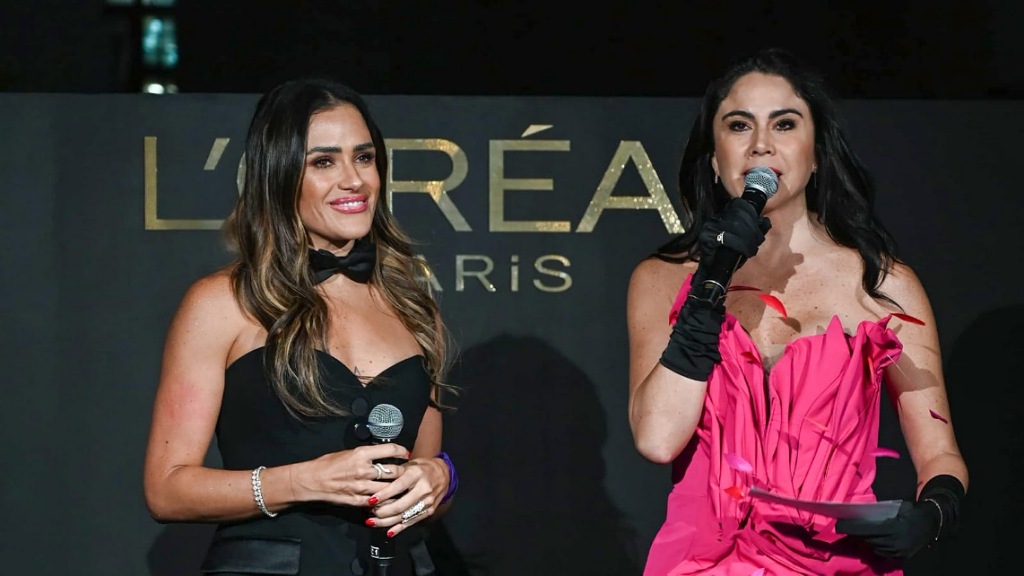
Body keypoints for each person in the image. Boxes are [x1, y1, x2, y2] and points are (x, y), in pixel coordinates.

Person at [627, 48, 968, 575]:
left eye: (784, 124)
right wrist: (711, 280)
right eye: (739, 125)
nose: (761, 143)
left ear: (816, 153)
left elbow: (940, 454)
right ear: (715, 158)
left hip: (840, 561)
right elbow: (657, 438)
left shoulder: (881, 284)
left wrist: (932, 515)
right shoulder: (663, 279)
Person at [143, 77, 459, 576]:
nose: (354, 180)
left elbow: (425, 480)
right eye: (323, 162)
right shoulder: (223, 303)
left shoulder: (414, 308)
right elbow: (167, 489)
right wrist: (301, 482)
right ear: (280, 175)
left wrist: (441, 477)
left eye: (364, 157)